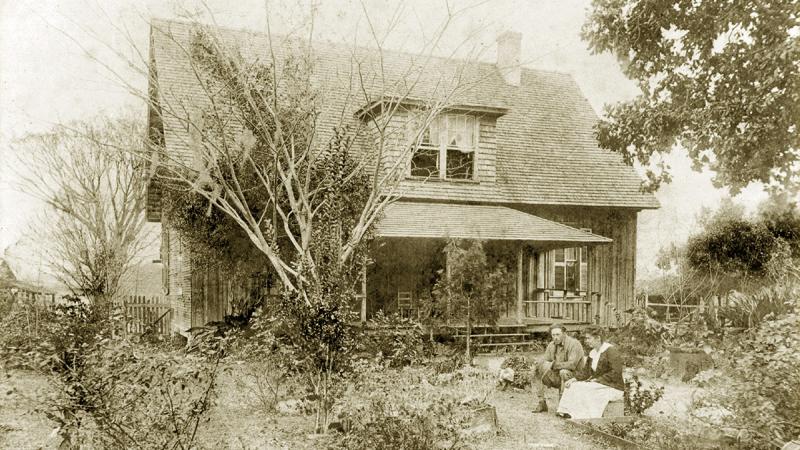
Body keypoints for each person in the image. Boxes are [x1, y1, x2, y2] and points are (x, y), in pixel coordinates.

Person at [556, 325, 624, 419]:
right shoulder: (593, 352)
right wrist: (574, 379)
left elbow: (616, 372)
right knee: (574, 385)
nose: (586, 341)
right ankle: (566, 412)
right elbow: (586, 372)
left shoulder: (610, 351)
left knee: (584, 388)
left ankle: (583, 416)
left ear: (598, 338)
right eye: (586, 338)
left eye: (588, 338)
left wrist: (597, 380)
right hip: (599, 385)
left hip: (612, 387)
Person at [531, 323, 584, 413]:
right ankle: (542, 402)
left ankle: (563, 406)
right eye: (553, 335)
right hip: (558, 376)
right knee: (536, 369)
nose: (555, 337)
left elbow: (572, 365)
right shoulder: (552, 345)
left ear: (564, 333)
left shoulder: (574, 344)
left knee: (563, 372)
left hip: (575, 377)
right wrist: (537, 363)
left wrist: (554, 365)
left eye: (558, 334)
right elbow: (546, 360)